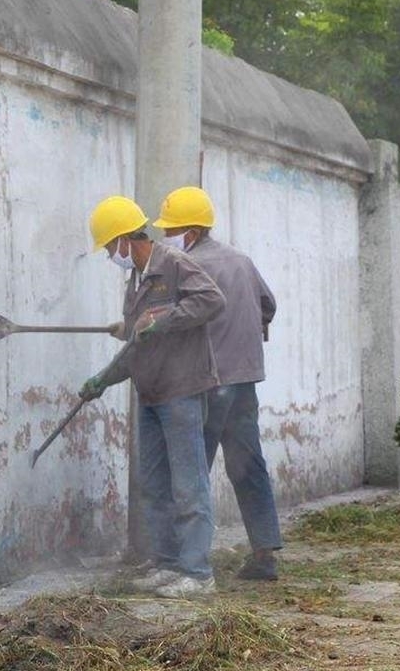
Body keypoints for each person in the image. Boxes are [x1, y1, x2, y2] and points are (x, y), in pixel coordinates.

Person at [80, 195, 225, 598]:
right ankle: (167, 563)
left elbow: (212, 300)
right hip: (151, 393)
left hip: (182, 390)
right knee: (155, 484)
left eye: (110, 247)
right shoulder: (136, 281)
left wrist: (163, 320)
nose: (110, 255)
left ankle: (197, 573)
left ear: (125, 239)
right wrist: (104, 379)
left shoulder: (174, 263)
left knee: (189, 484)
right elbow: (137, 346)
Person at [151, 186, 282, 581]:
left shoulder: (185, 267)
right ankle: (264, 552)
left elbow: (172, 321)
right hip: (244, 379)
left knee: (190, 472)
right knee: (248, 463)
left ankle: (185, 561)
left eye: (170, 230)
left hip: (206, 382)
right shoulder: (241, 260)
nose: (165, 237)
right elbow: (269, 305)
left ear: (190, 232)